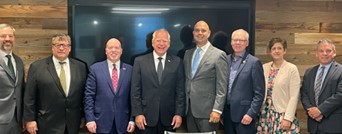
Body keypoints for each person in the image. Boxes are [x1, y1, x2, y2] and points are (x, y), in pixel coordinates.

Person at [23, 33, 88, 134]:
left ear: (70, 48)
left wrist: (83, 116)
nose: (61, 48)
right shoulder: (37, 67)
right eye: (58, 45)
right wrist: (30, 119)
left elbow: (84, 95)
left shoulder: (81, 67)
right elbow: (29, 96)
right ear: (52, 48)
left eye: (65, 45)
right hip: (47, 123)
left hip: (72, 124)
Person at [131, 29, 185, 134]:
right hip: (145, 118)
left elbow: (180, 91)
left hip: (170, 118)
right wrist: (138, 114)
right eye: (158, 40)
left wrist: (179, 114)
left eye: (164, 41)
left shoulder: (177, 62)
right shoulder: (139, 61)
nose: (161, 44)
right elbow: (135, 90)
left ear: (169, 44)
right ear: (152, 43)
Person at [183, 20, 228, 132]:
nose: (200, 33)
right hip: (189, 110)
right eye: (197, 30)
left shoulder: (219, 55)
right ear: (193, 33)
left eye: (203, 30)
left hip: (209, 112)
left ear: (209, 33)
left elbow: (222, 85)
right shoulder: (187, 54)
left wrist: (217, 110)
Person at [84, 38, 135, 134]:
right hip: (100, 122)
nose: (114, 50)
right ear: (106, 51)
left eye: (117, 47)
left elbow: (133, 97)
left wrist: (132, 119)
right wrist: (90, 119)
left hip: (123, 123)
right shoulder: (95, 69)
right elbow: (89, 96)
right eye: (110, 47)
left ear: (121, 51)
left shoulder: (130, 70)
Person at [223, 29, 265, 134]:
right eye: (235, 40)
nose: (237, 43)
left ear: (247, 43)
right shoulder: (225, 60)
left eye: (241, 40)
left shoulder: (254, 62)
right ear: (231, 42)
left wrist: (251, 114)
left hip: (245, 115)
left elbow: (259, 94)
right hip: (227, 114)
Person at [257, 37, 300, 133]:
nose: (276, 51)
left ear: (284, 51)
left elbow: (294, 96)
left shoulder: (291, 68)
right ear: (270, 51)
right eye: (273, 48)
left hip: (282, 115)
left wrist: (288, 118)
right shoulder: (264, 67)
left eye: (279, 48)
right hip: (265, 114)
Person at [301, 38, 342, 134]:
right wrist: (312, 112)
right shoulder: (309, 72)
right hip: (313, 125)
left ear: (334, 53)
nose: (324, 54)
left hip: (334, 125)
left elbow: (340, 95)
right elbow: (304, 94)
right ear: (316, 54)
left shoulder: (340, 71)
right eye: (321, 51)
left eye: (328, 51)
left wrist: (320, 110)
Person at [0, 24, 25, 134]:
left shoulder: (18, 61)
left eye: (10, 36)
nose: (7, 39)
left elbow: (21, 89)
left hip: (16, 121)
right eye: (3, 36)